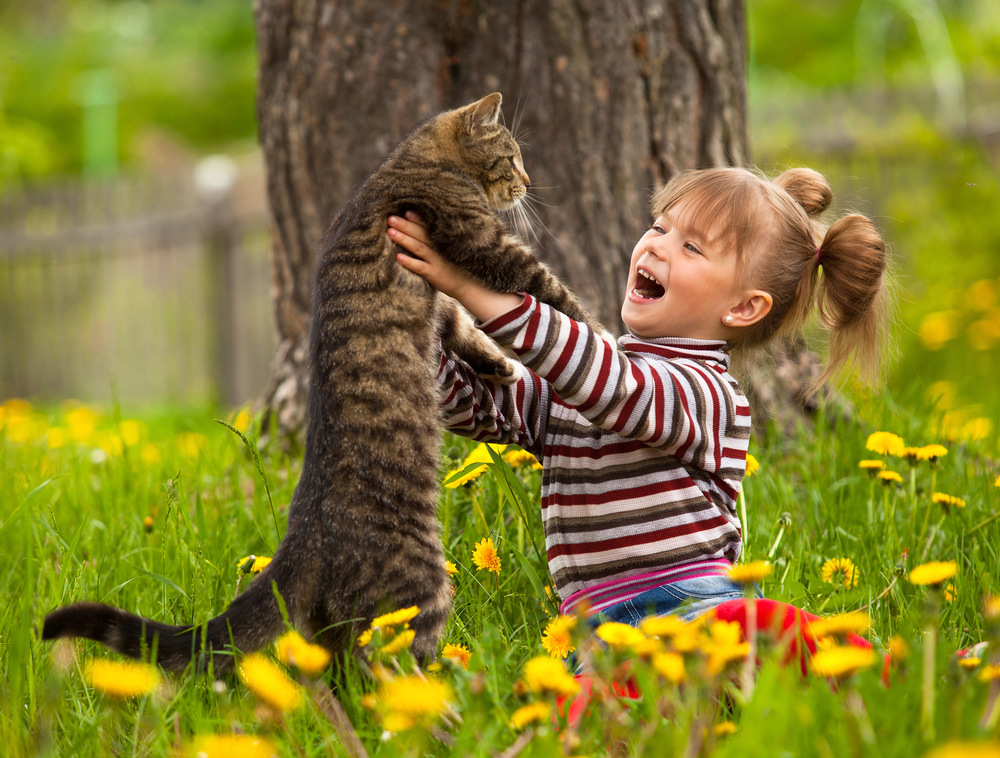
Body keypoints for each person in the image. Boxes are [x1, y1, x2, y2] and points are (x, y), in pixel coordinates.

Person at [386, 166, 891, 629]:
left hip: (700, 612)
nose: (656, 246)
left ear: (743, 307)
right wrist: (408, 320)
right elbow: (476, 403)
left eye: (692, 247)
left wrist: (474, 290)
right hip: (598, 631)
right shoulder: (583, 378)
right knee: (588, 709)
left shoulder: (708, 396)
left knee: (768, 633)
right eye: (659, 227)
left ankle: (911, 672)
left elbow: (615, 389)